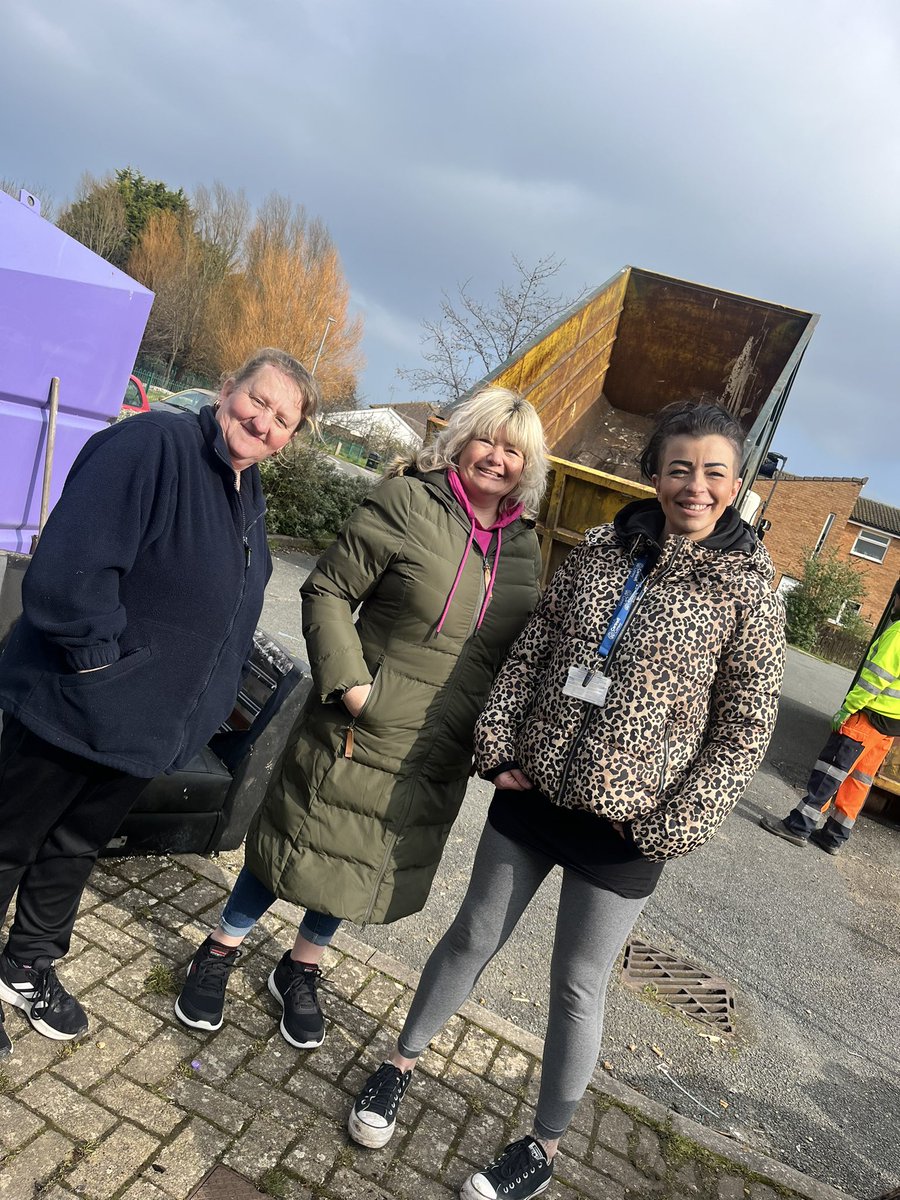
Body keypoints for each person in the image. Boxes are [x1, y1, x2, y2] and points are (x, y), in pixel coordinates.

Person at [346, 400, 786, 1200]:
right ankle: (398, 1062)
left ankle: (543, 1149)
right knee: (471, 935)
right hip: (536, 788)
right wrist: (501, 744)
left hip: (629, 827)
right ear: (655, 472)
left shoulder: (750, 591)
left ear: (736, 484)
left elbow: (746, 725)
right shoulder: (600, 548)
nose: (694, 485)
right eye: (679, 467)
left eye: (713, 472)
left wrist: (671, 825)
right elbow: (533, 648)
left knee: (578, 985)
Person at [174, 387, 548, 1052]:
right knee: (300, 834)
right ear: (461, 441)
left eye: (514, 449)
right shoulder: (409, 501)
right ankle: (220, 947)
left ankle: (301, 966)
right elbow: (328, 589)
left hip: (438, 745)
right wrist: (350, 686)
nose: (497, 458)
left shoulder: (523, 547)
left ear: (530, 465)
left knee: (359, 857)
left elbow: (515, 655)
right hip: (361, 723)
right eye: (487, 439)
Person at [0, 348, 318, 1058]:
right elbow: (71, 567)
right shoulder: (154, 444)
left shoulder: (248, 488)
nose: (262, 422)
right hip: (72, 702)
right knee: (9, 839)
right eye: (257, 401)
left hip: (139, 725)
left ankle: (26, 963)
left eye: (282, 419)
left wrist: (195, 709)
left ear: (291, 439)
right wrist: (98, 667)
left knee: (75, 846)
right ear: (228, 387)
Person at [761, 590, 900, 854]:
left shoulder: (897, 633)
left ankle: (798, 826)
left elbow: (874, 679)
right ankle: (834, 835)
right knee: (859, 781)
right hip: (890, 729)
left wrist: (847, 709)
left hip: (867, 718)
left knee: (831, 772)